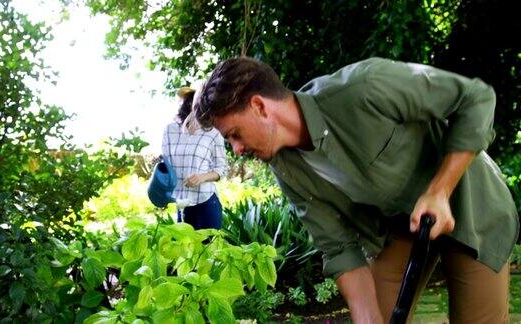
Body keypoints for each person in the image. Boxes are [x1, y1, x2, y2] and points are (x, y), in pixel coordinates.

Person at [195, 57, 519, 323]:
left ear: (260, 106)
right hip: (402, 227)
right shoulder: (286, 167)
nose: (236, 149)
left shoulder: (364, 88)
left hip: (470, 205)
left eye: (235, 134)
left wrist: (439, 190)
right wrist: (365, 315)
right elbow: (337, 246)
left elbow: (474, 98)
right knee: (374, 313)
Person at [161, 86, 227, 230]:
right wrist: (161, 191)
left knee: (208, 252)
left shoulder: (213, 133)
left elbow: (222, 168)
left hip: (206, 202)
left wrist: (202, 177)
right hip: (182, 204)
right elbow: (165, 165)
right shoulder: (170, 130)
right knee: (184, 252)